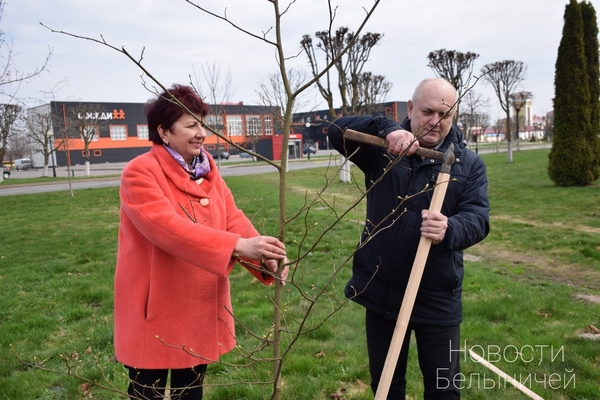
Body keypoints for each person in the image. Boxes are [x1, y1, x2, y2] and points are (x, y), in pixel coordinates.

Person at [114, 84, 289, 399]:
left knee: (191, 392)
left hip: (198, 307)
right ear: (164, 132)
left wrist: (263, 256)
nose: (201, 133)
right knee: (146, 394)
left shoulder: (208, 172)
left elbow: (231, 217)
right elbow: (166, 228)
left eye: (202, 124)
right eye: (191, 125)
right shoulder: (139, 173)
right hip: (153, 310)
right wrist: (237, 246)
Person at [327, 78, 490, 399]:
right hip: (382, 293)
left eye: (444, 115)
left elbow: (478, 219)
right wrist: (387, 129)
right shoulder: (383, 151)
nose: (435, 121)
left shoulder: (468, 165)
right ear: (411, 108)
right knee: (387, 388)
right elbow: (334, 130)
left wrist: (449, 228)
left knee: (444, 391)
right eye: (427, 111)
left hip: (437, 297)